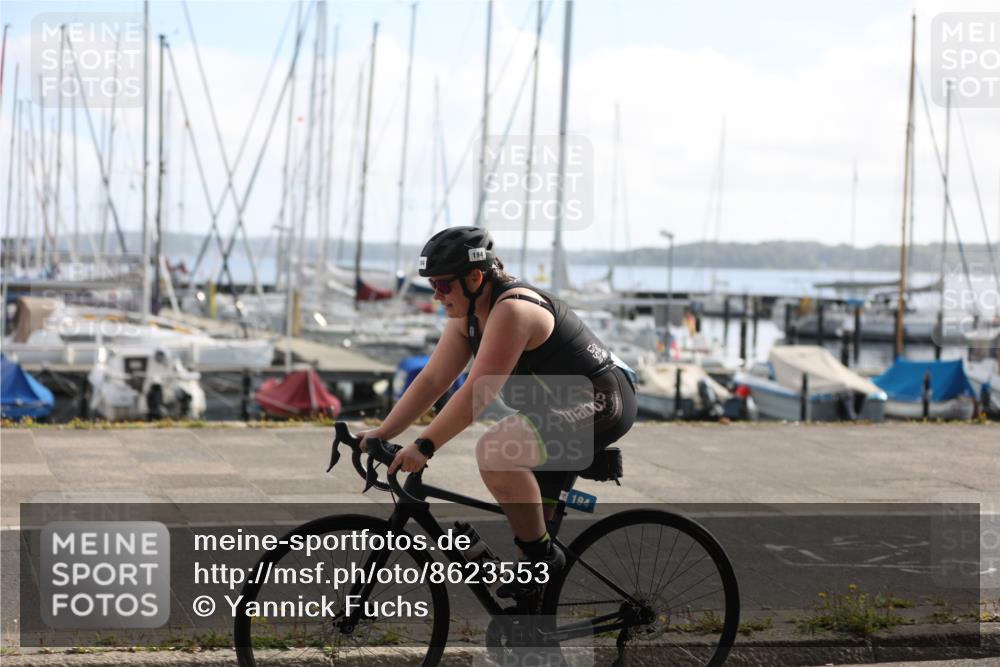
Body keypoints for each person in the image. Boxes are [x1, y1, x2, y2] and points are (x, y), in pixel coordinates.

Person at [360, 226, 637, 599]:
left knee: (496, 451)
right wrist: (383, 433)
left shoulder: (513, 310)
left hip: (601, 401)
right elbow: (432, 380)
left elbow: (478, 393)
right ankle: (533, 623)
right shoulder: (468, 315)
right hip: (555, 409)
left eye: (443, 285)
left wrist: (424, 446)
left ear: (475, 277)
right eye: (432, 285)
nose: (437, 295)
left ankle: (544, 557)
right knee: (527, 574)